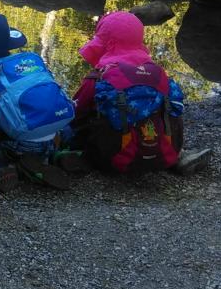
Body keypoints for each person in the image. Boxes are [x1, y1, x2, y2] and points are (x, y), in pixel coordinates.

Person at [67, 11, 211, 176]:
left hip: (111, 160)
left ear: (104, 43)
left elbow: (74, 113)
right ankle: (177, 155)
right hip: (163, 155)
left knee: (73, 123)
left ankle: (76, 157)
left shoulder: (99, 77)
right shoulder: (158, 74)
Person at [0, 11, 73, 192]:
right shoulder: (30, 61)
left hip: (16, 143)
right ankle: (60, 155)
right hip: (55, 134)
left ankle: (3, 167)